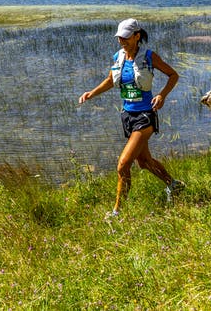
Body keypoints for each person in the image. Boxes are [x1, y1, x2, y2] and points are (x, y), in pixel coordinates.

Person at [78, 18, 183, 215]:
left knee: (123, 164)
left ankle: (117, 212)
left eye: (126, 37)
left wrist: (162, 95)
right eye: (119, 37)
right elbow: (110, 80)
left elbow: (173, 75)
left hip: (145, 116)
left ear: (137, 36)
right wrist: (91, 93)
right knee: (143, 162)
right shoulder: (119, 57)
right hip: (128, 116)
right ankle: (173, 184)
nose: (122, 41)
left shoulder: (149, 57)